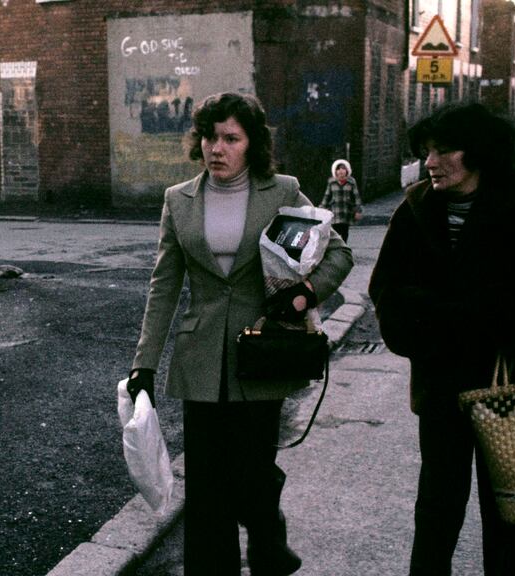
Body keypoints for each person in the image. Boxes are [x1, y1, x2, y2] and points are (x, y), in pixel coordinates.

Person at [127, 92, 353, 574]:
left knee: (252, 475)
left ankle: (268, 541)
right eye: (210, 136)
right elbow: (164, 285)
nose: (218, 147)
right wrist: (143, 362)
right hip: (200, 359)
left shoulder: (284, 192)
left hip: (263, 354)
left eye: (231, 138)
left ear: (252, 144)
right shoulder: (179, 200)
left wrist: (303, 295)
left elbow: (338, 254)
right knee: (207, 489)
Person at [368, 102, 515, 575]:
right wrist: (430, 325)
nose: (430, 162)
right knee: (436, 512)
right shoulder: (414, 210)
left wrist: (488, 313)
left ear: (480, 152)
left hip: (508, 389)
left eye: (444, 150)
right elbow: (385, 291)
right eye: (427, 151)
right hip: (441, 386)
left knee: (510, 517)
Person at [319, 159, 362, 242]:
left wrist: (358, 211)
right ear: (335, 171)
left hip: (347, 211)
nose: (341, 171)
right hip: (335, 211)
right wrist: (322, 208)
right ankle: (338, 249)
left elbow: (356, 197)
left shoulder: (351, 182)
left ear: (347, 170)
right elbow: (327, 196)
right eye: (338, 169)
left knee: (345, 232)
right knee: (336, 232)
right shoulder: (331, 182)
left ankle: (344, 248)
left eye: (343, 168)